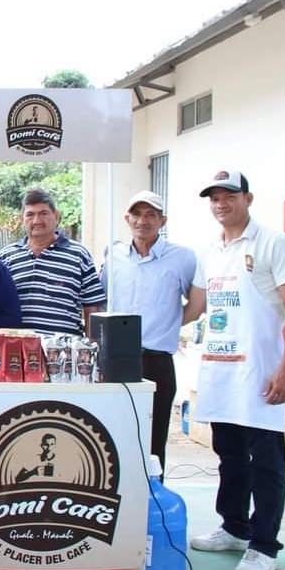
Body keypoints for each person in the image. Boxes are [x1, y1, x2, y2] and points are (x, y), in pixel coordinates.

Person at [184, 171, 285, 570]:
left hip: (260, 374)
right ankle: (235, 527)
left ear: (248, 199)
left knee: (266, 462)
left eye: (230, 196)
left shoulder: (274, 242)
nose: (221, 203)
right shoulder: (210, 251)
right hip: (221, 373)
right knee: (230, 457)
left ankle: (264, 546)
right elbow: (195, 308)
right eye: (214, 198)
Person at [99, 190, 195, 476]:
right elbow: (101, 301)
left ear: (162, 220)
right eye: (137, 214)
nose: (143, 220)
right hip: (116, 360)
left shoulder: (182, 258)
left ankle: (153, 494)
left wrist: (170, 324)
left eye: (151, 214)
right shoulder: (113, 256)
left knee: (154, 438)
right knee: (114, 433)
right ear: (127, 219)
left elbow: (197, 302)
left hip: (157, 360)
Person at [0, 188, 105, 335]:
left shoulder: (79, 255)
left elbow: (92, 306)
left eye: (43, 213)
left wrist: (93, 344)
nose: (37, 221)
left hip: (64, 347)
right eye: (30, 214)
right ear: (22, 219)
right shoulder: (5, 257)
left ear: (56, 216)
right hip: (17, 347)